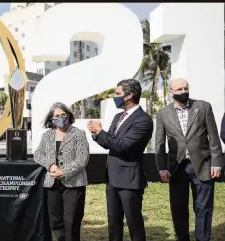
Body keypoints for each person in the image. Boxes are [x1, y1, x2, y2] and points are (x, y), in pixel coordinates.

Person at [155, 78, 223, 241]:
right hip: (176, 168)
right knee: (178, 208)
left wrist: (217, 163)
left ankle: (203, 238)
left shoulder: (203, 107)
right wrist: (161, 168)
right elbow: (159, 143)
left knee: (203, 208)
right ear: (171, 92)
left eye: (186, 88)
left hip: (203, 165)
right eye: (179, 89)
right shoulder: (163, 113)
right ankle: (182, 237)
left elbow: (213, 137)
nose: (183, 92)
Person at [88, 79, 153, 241]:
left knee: (134, 224)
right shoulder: (118, 116)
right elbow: (109, 142)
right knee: (113, 224)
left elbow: (123, 145)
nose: (114, 97)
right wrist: (96, 134)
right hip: (112, 178)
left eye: (117, 94)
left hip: (129, 181)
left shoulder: (143, 120)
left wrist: (100, 131)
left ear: (129, 95)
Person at [34, 102, 89, 241]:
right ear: (51, 119)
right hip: (52, 184)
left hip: (74, 184)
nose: (60, 118)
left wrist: (64, 172)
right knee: (56, 222)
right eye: (57, 116)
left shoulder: (78, 134)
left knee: (71, 222)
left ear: (69, 115)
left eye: (63, 115)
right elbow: (38, 154)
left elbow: (83, 158)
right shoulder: (47, 136)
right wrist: (51, 165)